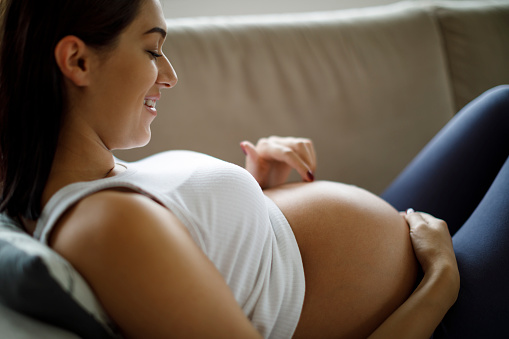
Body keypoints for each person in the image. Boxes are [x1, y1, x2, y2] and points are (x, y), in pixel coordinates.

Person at [0, 0, 506, 338]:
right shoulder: (102, 227)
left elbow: (215, 268)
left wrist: (255, 193)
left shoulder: (92, 184)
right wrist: (440, 285)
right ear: (78, 61)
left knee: (499, 108)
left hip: (401, 256)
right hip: (429, 311)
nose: (170, 75)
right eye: (153, 49)